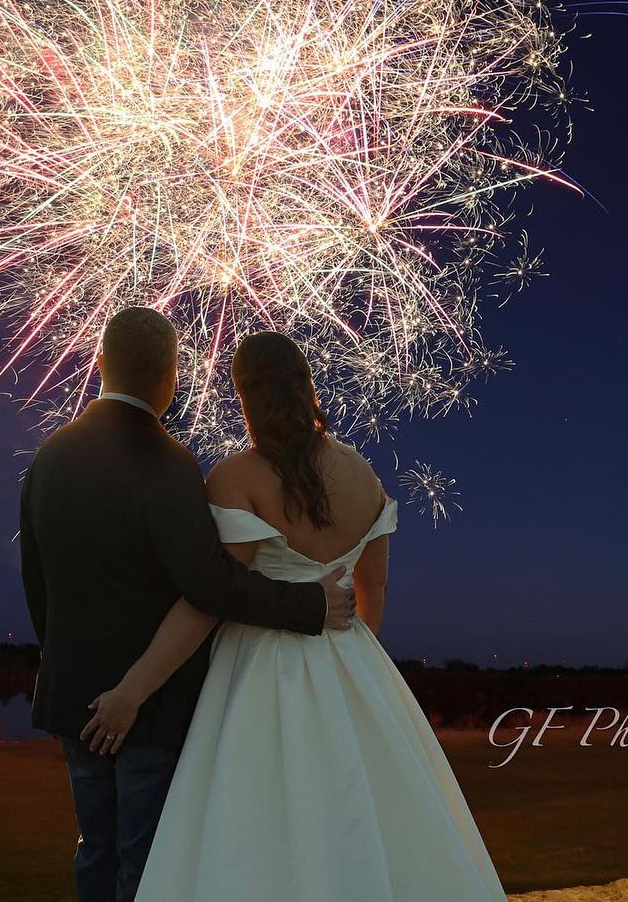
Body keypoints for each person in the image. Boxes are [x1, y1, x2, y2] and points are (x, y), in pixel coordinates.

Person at [83, 330, 509, 902]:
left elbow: (211, 598)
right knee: (365, 813)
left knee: (255, 820)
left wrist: (132, 690)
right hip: (352, 662)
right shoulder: (363, 475)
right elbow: (373, 591)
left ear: (245, 397)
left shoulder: (236, 477)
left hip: (258, 671)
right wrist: (344, 667)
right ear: (307, 386)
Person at [19, 308, 355, 902]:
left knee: (94, 850)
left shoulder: (50, 456)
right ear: (173, 378)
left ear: (99, 365)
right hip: (154, 704)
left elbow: (37, 586)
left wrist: (71, 670)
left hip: (76, 698)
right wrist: (307, 604)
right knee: (145, 861)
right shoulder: (170, 465)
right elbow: (211, 585)